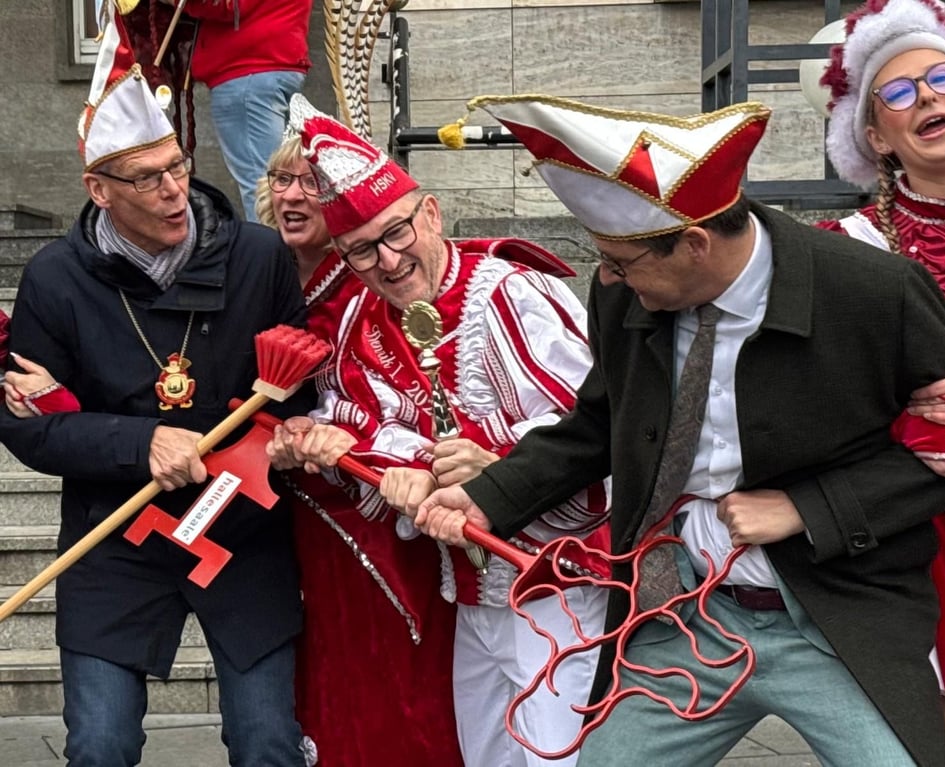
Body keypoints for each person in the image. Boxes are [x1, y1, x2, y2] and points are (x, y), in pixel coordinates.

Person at [413, 94, 945, 766]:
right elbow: (601, 421)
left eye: (622, 263)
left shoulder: (875, 291)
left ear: (694, 243)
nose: (607, 278)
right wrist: (489, 495)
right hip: (681, 614)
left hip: (838, 619)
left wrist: (805, 510)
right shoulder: (625, 292)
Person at [0, 15, 310, 766]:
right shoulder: (54, 278)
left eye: (176, 166)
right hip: (116, 534)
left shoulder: (259, 258)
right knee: (99, 744)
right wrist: (140, 441)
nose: (175, 191)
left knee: (270, 742)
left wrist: (275, 442)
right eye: (147, 179)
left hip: (240, 530)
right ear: (98, 188)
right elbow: (28, 427)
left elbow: (297, 397)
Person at [268, 93, 612, 766]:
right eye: (362, 251)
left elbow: (592, 427)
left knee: (553, 757)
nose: (390, 262)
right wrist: (352, 450)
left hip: (550, 580)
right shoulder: (359, 322)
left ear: (430, 212)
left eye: (398, 233)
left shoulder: (511, 292)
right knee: (483, 752)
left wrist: (493, 462)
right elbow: (353, 416)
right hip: (466, 586)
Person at [817, 0, 945, 762]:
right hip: (917, 536)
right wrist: (912, 428)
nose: (928, 97)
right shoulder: (850, 253)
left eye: (943, 78)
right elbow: (826, 408)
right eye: (898, 93)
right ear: (875, 137)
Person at [254, 131, 465, 767]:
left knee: (396, 669)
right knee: (326, 666)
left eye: (309, 184)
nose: (293, 195)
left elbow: (420, 392)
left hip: (380, 510)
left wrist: (366, 444)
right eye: (282, 180)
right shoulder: (255, 273)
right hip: (295, 510)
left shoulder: (381, 284)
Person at [159, 0, 313, 221]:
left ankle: (270, 254)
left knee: (262, 186)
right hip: (275, 62)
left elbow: (223, 4)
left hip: (248, 68)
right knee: (279, 180)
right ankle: (282, 252)